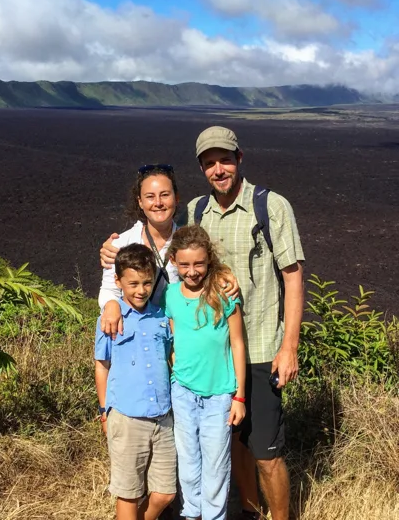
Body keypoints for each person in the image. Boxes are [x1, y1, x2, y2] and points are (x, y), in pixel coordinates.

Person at [100, 127, 305, 520]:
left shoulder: (270, 206)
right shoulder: (196, 211)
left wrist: (289, 346)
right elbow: (157, 254)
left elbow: (293, 276)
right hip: (209, 359)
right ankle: (248, 512)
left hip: (261, 344)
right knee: (233, 443)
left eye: (225, 159)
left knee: (265, 451)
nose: (218, 169)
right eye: (210, 163)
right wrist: (111, 260)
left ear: (239, 158)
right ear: (201, 168)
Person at [165, 225, 246, 520]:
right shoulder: (170, 295)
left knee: (216, 464)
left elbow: (237, 343)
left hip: (219, 395)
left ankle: (213, 515)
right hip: (183, 392)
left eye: (198, 263)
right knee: (187, 462)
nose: (192, 271)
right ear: (173, 261)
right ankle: (192, 513)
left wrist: (239, 396)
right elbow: (174, 339)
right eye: (184, 264)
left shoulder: (224, 294)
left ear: (209, 259)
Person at [95, 243, 176, 520]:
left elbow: (171, 357)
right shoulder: (109, 318)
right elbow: (102, 366)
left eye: (146, 283)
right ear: (118, 282)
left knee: (165, 493)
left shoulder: (161, 317)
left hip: (162, 417)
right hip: (127, 416)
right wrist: (104, 411)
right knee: (129, 492)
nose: (141, 290)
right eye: (133, 284)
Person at [98, 164, 239, 319]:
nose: (158, 202)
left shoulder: (188, 244)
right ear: (140, 202)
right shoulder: (121, 244)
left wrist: (222, 275)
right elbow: (109, 290)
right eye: (150, 197)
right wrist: (110, 305)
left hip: (179, 328)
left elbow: (204, 270)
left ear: (176, 198)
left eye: (165, 195)